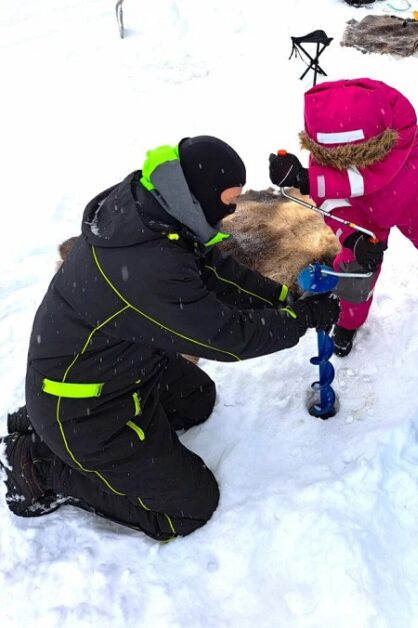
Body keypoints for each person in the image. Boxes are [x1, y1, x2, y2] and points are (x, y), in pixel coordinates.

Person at [0, 136, 340, 541]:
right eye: (228, 200)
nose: (233, 209)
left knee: (197, 399)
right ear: (197, 195)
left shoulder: (156, 209)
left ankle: (63, 436)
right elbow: (226, 338)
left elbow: (213, 271)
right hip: (82, 406)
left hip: (118, 368)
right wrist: (299, 320)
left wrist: (284, 298)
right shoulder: (148, 267)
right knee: (190, 507)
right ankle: (40, 465)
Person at [268, 77, 418, 357]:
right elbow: (332, 201)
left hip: (415, 196)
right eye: (335, 160)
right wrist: (352, 235)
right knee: (354, 268)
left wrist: (309, 179)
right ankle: (348, 320)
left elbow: (375, 175)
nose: (343, 163)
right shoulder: (326, 156)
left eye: (353, 157)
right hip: (362, 214)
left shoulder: (400, 137)